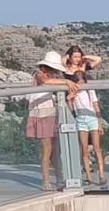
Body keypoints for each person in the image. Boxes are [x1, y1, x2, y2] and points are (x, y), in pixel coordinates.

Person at [25, 51, 78, 192]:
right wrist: (66, 81)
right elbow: (46, 82)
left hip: (49, 112)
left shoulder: (51, 76)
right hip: (40, 114)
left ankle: (59, 178)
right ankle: (47, 181)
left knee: (55, 149)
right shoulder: (39, 74)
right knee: (47, 149)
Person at [64, 45, 107, 188]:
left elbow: (98, 59)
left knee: (96, 147)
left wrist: (83, 57)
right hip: (80, 119)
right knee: (84, 149)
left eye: (78, 56)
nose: (77, 59)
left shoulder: (89, 88)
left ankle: (101, 175)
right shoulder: (66, 71)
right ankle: (88, 176)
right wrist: (70, 98)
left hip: (91, 118)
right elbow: (70, 107)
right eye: (74, 56)